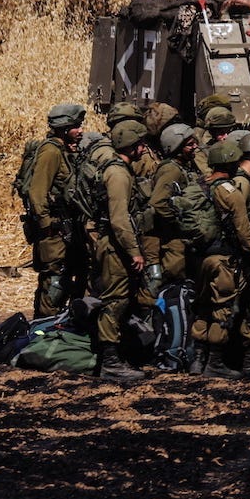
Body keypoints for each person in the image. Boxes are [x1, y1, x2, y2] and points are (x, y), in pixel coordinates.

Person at [197, 137, 250, 380]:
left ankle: (198, 360)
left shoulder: (199, 185)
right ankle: (215, 362)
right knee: (222, 309)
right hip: (224, 258)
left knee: (203, 308)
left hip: (201, 257)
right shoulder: (230, 192)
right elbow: (243, 230)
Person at [91, 121, 152, 385]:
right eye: (140, 143)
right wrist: (134, 251)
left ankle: (116, 357)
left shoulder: (117, 169)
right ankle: (110, 363)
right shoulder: (117, 174)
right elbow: (119, 219)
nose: (143, 148)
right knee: (115, 301)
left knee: (121, 300)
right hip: (116, 246)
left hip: (115, 244)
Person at [23, 102, 84, 317]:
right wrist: (46, 224)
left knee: (63, 278)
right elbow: (37, 192)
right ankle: (43, 332)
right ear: (64, 129)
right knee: (55, 282)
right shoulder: (51, 152)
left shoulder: (65, 150)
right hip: (53, 231)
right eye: (76, 126)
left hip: (63, 227)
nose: (81, 130)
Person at [147, 123, 198, 286]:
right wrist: (180, 222)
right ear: (176, 147)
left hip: (178, 238)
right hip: (172, 239)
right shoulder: (172, 170)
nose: (195, 146)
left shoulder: (182, 167)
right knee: (175, 282)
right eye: (190, 144)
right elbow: (158, 202)